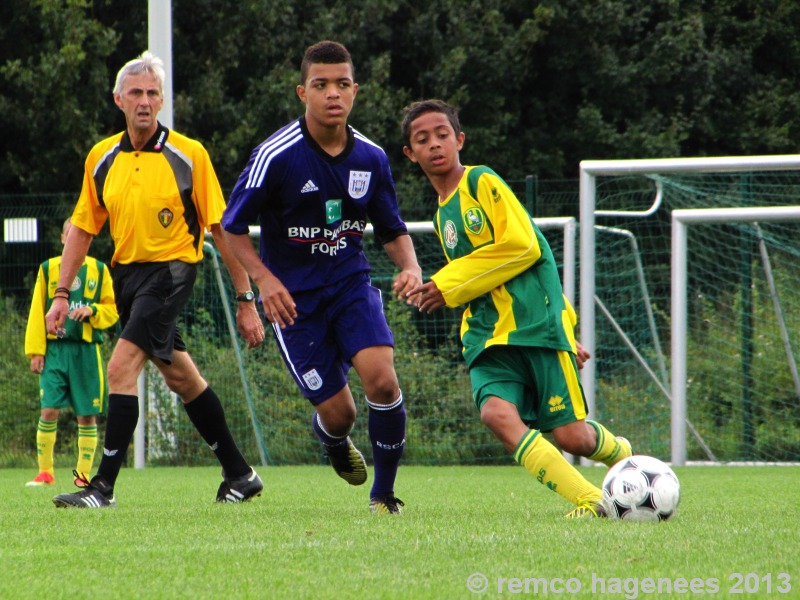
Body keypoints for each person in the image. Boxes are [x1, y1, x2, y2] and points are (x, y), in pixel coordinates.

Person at [46, 51, 266, 509]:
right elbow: (84, 229)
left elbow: (223, 232)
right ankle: (240, 474)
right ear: (118, 99)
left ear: (162, 100)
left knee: (120, 368)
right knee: (182, 379)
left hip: (171, 273)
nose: (144, 101)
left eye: (152, 93)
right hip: (126, 277)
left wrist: (246, 299)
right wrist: (61, 295)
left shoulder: (189, 155)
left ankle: (101, 487)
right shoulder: (101, 157)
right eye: (136, 93)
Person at [401, 99, 632, 518]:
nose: (434, 144)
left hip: (534, 327)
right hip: (488, 336)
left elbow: (523, 246)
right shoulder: (442, 216)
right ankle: (591, 500)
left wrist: (448, 285)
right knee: (495, 413)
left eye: (442, 135)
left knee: (572, 437)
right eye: (422, 139)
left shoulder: (481, 182)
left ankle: (624, 456)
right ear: (410, 153)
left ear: (460, 140)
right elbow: (484, 274)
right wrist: (451, 286)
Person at [222, 41, 421, 514]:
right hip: (293, 304)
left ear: (356, 91)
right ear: (302, 92)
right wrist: (263, 282)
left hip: (351, 285)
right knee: (341, 414)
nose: (333, 94)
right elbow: (230, 227)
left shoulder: (371, 158)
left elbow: (391, 228)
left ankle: (384, 496)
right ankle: (331, 437)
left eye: (343, 84)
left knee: (383, 383)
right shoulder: (277, 155)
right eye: (321, 85)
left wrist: (410, 266)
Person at [25, 218, 119, 488]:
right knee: (49, 409)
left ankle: (83, 476)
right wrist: (35, 350)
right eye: (70, 234)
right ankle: (45, 473)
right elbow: (36, 312)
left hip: (86, 351)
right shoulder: (48, 269)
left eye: (81, 235)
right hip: (55, 351)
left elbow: (113, 309)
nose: (74, 239)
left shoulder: (100, 270)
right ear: (64, 239)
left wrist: (93, 311)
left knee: (87, 414)